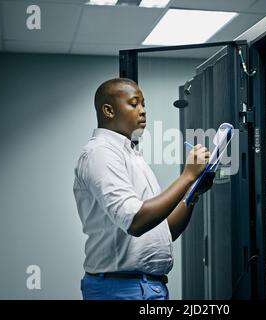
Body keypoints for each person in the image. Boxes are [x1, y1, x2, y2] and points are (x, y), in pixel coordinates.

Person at [73, 78, 212, 300]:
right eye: (134, 103)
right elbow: (136, 222)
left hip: (144, 288)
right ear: (109, 110)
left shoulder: (130, 155)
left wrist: (193, 191)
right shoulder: (101, 153)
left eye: (144, 104)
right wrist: (187, 176)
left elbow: (163, 231)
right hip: (120, 290)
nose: (143, 111)